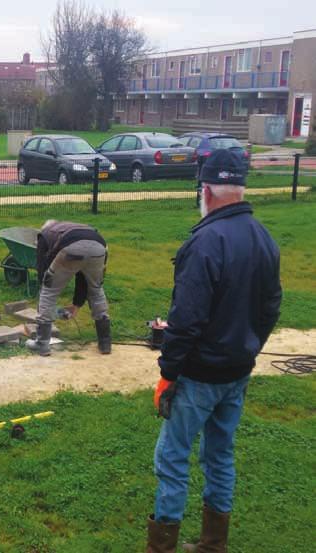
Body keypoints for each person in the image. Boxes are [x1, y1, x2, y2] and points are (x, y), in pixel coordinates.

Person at [146, 149, 281, 553]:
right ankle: (213, 544)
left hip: (200, 376)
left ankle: (162, 545)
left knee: (172, 458)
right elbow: (270, 306)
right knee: (220, 455)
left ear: (206, 190)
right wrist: (246, 346)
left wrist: (168, 373)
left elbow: (186, 321)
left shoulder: (204, 242)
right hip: (237, 371)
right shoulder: (263, 237)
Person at [26, 220, 110, 356]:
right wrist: (77, 304)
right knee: (96, 289)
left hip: (72, 248)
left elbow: (42, 269)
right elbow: (83, 277)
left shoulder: (44, 235)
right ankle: (105, 343)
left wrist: (45, 288)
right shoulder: (72, 228)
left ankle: (42, 344)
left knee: (49, 291)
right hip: (100, 246)